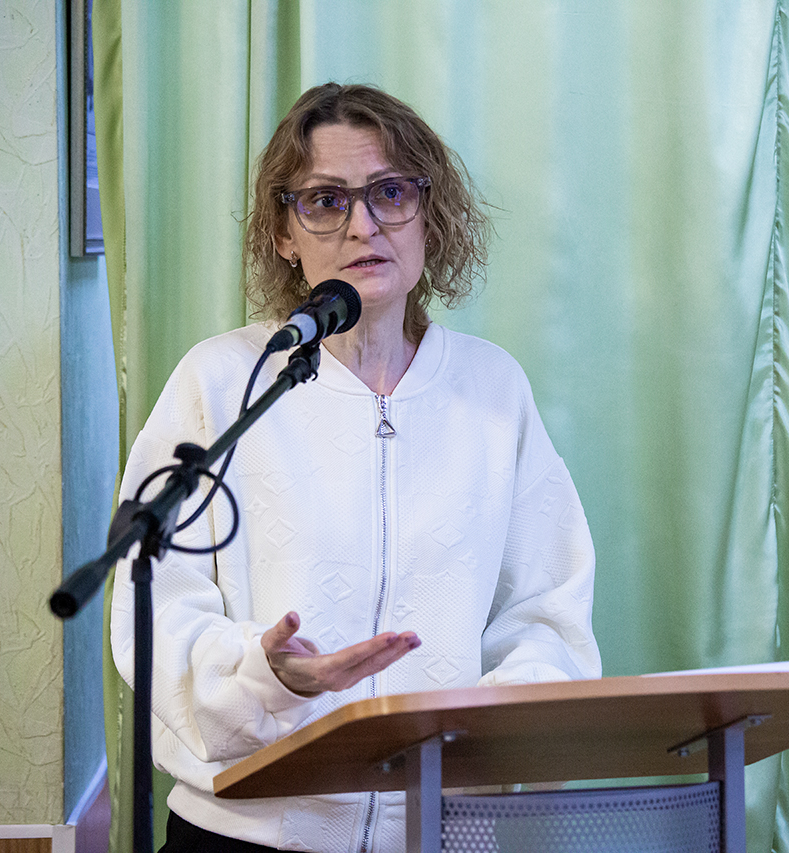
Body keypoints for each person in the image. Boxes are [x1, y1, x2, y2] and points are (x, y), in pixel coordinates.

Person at [110, 82, 601, 853]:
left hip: (444, 831)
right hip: (246, 833)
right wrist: (268, 675)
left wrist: (494, 729)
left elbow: (547, 614)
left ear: (429, 214)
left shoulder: (493, 389)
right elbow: (161, 610)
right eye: (326, 200)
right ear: (284, 231)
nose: (362, 225)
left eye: (389, 192)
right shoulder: (222, 382)